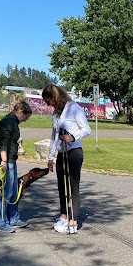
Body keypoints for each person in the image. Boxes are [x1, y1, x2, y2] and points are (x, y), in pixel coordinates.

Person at [42, 84, 91, 234]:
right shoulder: (55, 115)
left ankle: (73, 221)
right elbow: (53, 137)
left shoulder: (73, 108)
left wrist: (72, 137)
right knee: (61, 187)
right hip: (61, 154)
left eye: (49, 101)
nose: (48, 105)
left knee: (73, 187)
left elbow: (87, 129)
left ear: (56, 98)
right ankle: (63, 217)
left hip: (74, 152)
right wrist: (50, 158)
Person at [0, 97, 32, 233]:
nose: (26, 120)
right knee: (6, 194)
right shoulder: (8, 122)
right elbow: (3, 143)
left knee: (14, 192)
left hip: (11, 161)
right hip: (4, 161)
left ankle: (14, 218)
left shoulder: (13, 122)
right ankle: (2, 223)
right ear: (21, 111)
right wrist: (3, 161)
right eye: (26, 117)